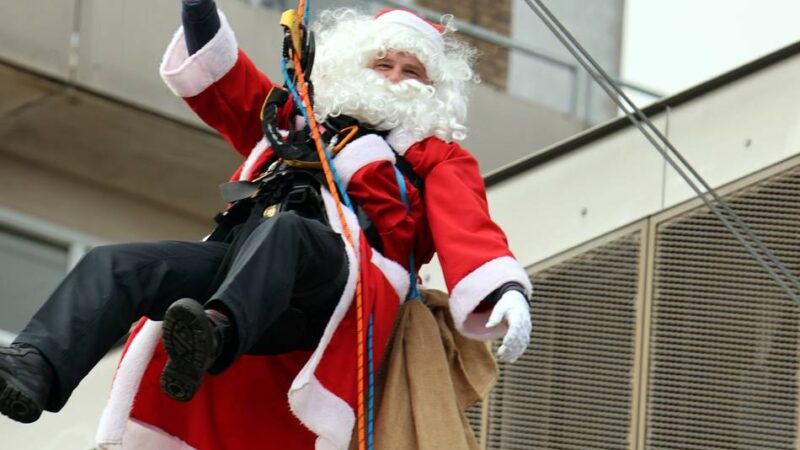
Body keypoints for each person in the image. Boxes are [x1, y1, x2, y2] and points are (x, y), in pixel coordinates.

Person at [0, 1, 532, 447]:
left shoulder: (432, 156)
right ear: (355, 68)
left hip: (341, 287)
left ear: (433, 89)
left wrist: (501, 286)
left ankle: (211, 335)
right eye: (383, 65)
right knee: (119, 264)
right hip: (249, 264)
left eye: (410, 72)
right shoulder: (298, 121)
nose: (394, 78)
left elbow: (468, 223)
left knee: (291, 235)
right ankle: (34, 367)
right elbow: (228, 86)